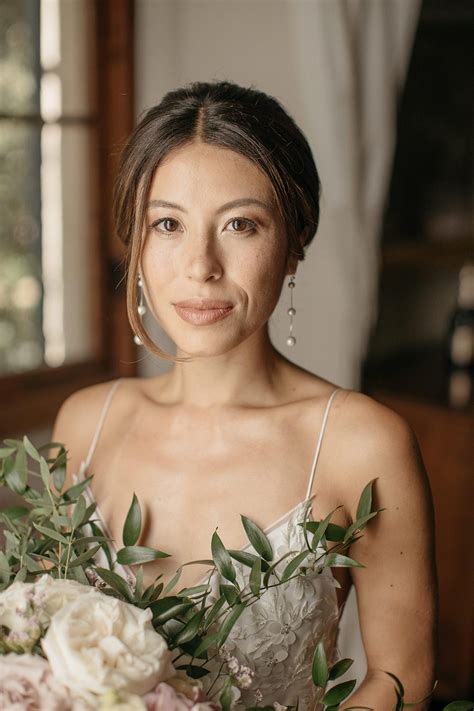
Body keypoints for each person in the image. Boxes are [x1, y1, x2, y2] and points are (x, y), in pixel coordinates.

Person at [52, 80, 437, 709]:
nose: (201, 265)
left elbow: (400, 682)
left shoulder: (361, 442)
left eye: (240, 224)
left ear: (293, 246)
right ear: (137, 243)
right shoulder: (85, 423)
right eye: (168, 224)